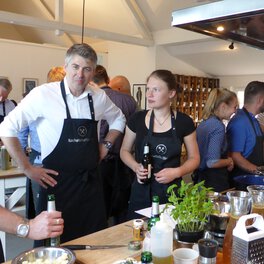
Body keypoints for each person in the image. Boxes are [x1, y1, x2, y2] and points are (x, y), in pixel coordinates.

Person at [0, 43, 126, 245]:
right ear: (65, 67)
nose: (80, 74)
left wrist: (106, 146)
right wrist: (27, 168)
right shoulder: (43, 95)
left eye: (87, 69)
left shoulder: (99, 96)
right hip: (56, 186)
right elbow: (7, 129)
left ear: (93, 71)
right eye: (75, 67)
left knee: (94, 244)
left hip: (90, 185)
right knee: (53, 247)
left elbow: (119, 119)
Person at [120, 69, 200, 219]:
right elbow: (124, 150)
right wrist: (135, 167)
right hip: (141, 192)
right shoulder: (136, 119)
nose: (149, 95)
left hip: (172, 193)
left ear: (171, 93)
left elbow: (195, 158)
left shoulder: (184, 122)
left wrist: (177, 172)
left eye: (155, 90)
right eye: (148, 89)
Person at [18, 67, 66, 220]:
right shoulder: (35, 101)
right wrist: (25, 164)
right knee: (42, 206)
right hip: (39, 159)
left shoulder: (67, 104)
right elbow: (20, 133)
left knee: (63, 204)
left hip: (63, 159)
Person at [92, 65, 137, 225]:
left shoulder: (95, 97)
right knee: (123, 205)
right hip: (126, 160)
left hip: (101, 160)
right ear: (108, 79)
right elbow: (135, 130)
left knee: (100, 204)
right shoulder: (130, 101)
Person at [195, 88, 238, 192]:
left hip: (200, 179)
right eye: (234, 107)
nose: (236, 111)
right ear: (223, 106)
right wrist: (229, 161)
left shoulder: (204, 123)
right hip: (213, 182)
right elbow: (212, 162)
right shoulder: (218, 126)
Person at [227, 81, 264, 182]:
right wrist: (259, 172)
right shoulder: (239, 122)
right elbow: (235, 155)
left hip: (255, 179)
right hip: (243, 181)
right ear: (260, 100)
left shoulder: (254, 120)